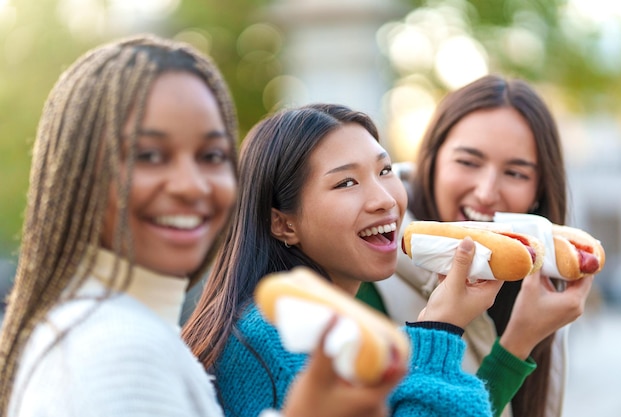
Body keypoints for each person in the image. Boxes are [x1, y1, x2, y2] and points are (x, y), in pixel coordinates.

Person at [0, 35, 402, 417]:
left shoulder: (120, 328)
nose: (192, 185)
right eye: (151, 155)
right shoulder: (119, 348)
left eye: (211, 155)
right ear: (81, 173)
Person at [182, 103, 507, 417]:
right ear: (283, 223)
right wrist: (440, 327)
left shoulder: (326, 323)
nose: (384, 199)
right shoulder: (281, 335)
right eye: (346, 182)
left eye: (385, 170)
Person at [356, 74, 595, 417]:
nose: (486, 192)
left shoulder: (542, 285)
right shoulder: (367, 275)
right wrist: (515, 347)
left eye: (515, 173)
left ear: (538, 193)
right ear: (432, 162)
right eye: (468, 162)